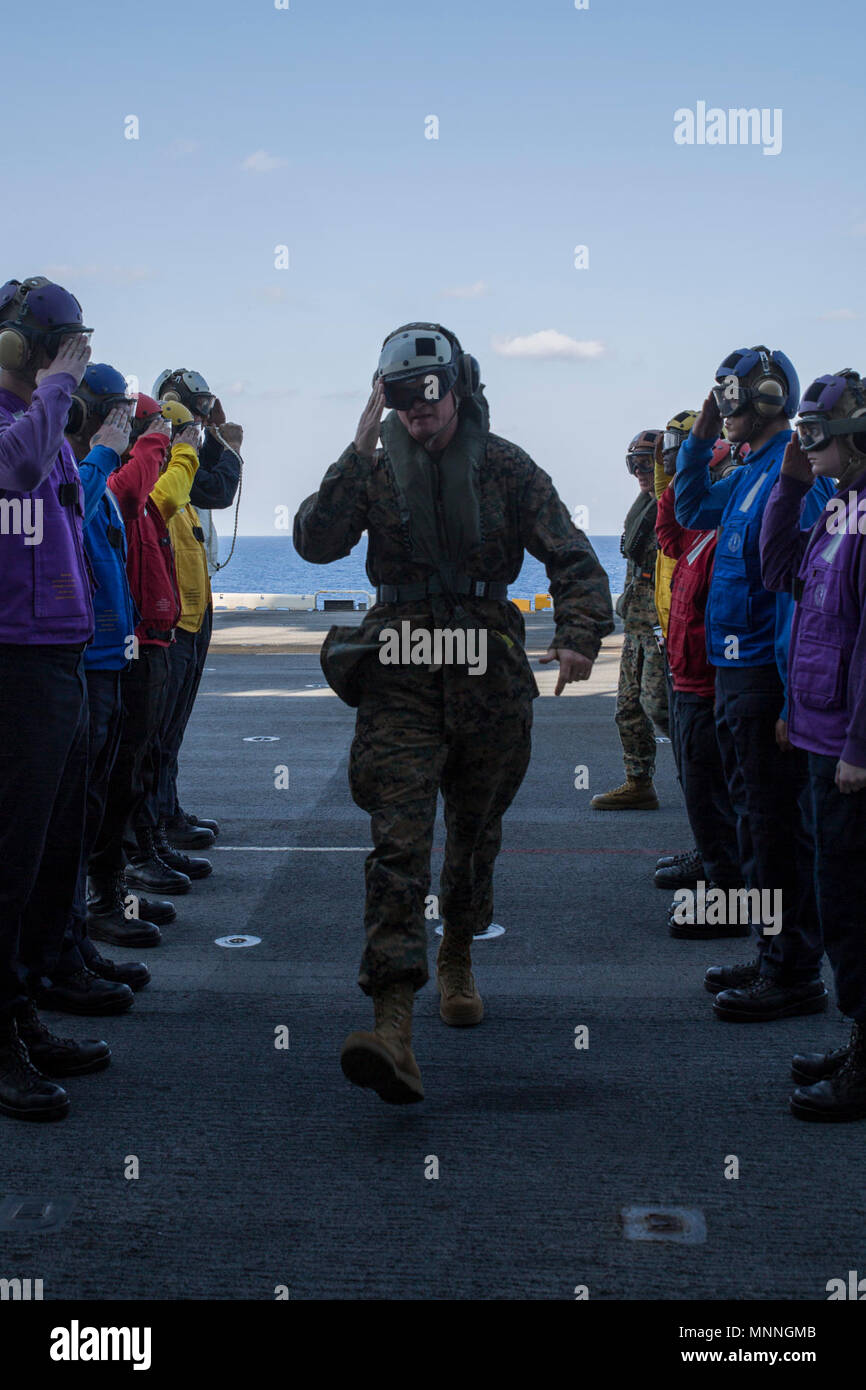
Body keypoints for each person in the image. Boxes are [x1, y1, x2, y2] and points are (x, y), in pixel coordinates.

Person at [294, 321, 613, 1104]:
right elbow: (313, 540)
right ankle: (392, 1024)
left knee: (472, 837)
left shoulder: (505, 468)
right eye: (400, 401)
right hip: (399, 672)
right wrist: (357, 441)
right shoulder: (374, 470)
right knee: (397, 842)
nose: (417, 415)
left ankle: (458, 954)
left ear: (458, 390)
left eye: (428, 398)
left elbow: (574, 556)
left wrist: (577, 634)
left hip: (487, 675)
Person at [676, 346, 833, 1019]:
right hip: (734, 676)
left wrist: (792, 698)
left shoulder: (792, 479)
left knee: (776, 831)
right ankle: (772, 951)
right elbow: (689, 507)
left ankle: (793, 971)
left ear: (765, 398)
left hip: (765, 683)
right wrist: (702, 436)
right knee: (754, 826)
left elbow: (798, 592)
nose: (725, 407)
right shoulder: (749, 475)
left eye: (731, 397)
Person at [0, 276, 111, 1122]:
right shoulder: (21, 427)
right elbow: (20, 469)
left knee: (44, 855)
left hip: (58, 658)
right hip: (15, 665)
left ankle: (23, 1005)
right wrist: (61, 386)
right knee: (8, 860)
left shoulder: (48, 426)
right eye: (52, 346)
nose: (61, 362)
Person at [760, 370, 866, 1119]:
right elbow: (777, 571)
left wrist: (860, 744)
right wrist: (790, 487)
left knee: (856, 906)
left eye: (814, 434)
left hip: (851, 753)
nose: (805, 442)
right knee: (838, 900)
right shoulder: (837, 511)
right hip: (820, 735)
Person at [36, 365, 155, 1018]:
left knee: (88, 813)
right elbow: (71, 519)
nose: (123, 424)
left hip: (111, 660)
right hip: (86, 667)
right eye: (112, 412)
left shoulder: (98, 477)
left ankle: (74, 941)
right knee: (66, 821)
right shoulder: (72, 470)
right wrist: (107, 446)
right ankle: (57, 955)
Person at [88, 398, 200, 904]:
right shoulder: (119, 485)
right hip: (131, 644)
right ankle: (116, 881)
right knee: (121, 771)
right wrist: (162, 442)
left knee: (143, 761)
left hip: (153, 634)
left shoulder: (126, 483)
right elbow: (145, 492)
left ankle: (141, 851)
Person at [656, 429, 745, 935]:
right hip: (689, 682)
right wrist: (682, 470)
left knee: (718, 798)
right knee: (703, 796)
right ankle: (718, 879)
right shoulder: (699, 531)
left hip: (712, 688)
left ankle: (729, 899)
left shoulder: (725, 534)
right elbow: (670, 529)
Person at [152, 369, 243, 850]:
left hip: (194, 605)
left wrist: (214, 437)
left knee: (172, 728)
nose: (203, 418)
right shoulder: (165, 454)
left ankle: (165, 815)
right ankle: (151, 831)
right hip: (171, 616)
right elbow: (218, 489)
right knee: (157, 731)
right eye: (196, 407)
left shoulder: (183, 450)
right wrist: (227, 445)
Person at [590, 430, 668, 811]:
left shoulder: (676, 507)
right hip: (636, 627)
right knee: (627, 710)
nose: (639, 470)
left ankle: (711, 781)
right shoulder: (643, 508)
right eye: (633, 464)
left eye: (647, 462)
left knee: (663, 709)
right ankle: (639, 783)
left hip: (661, 630)